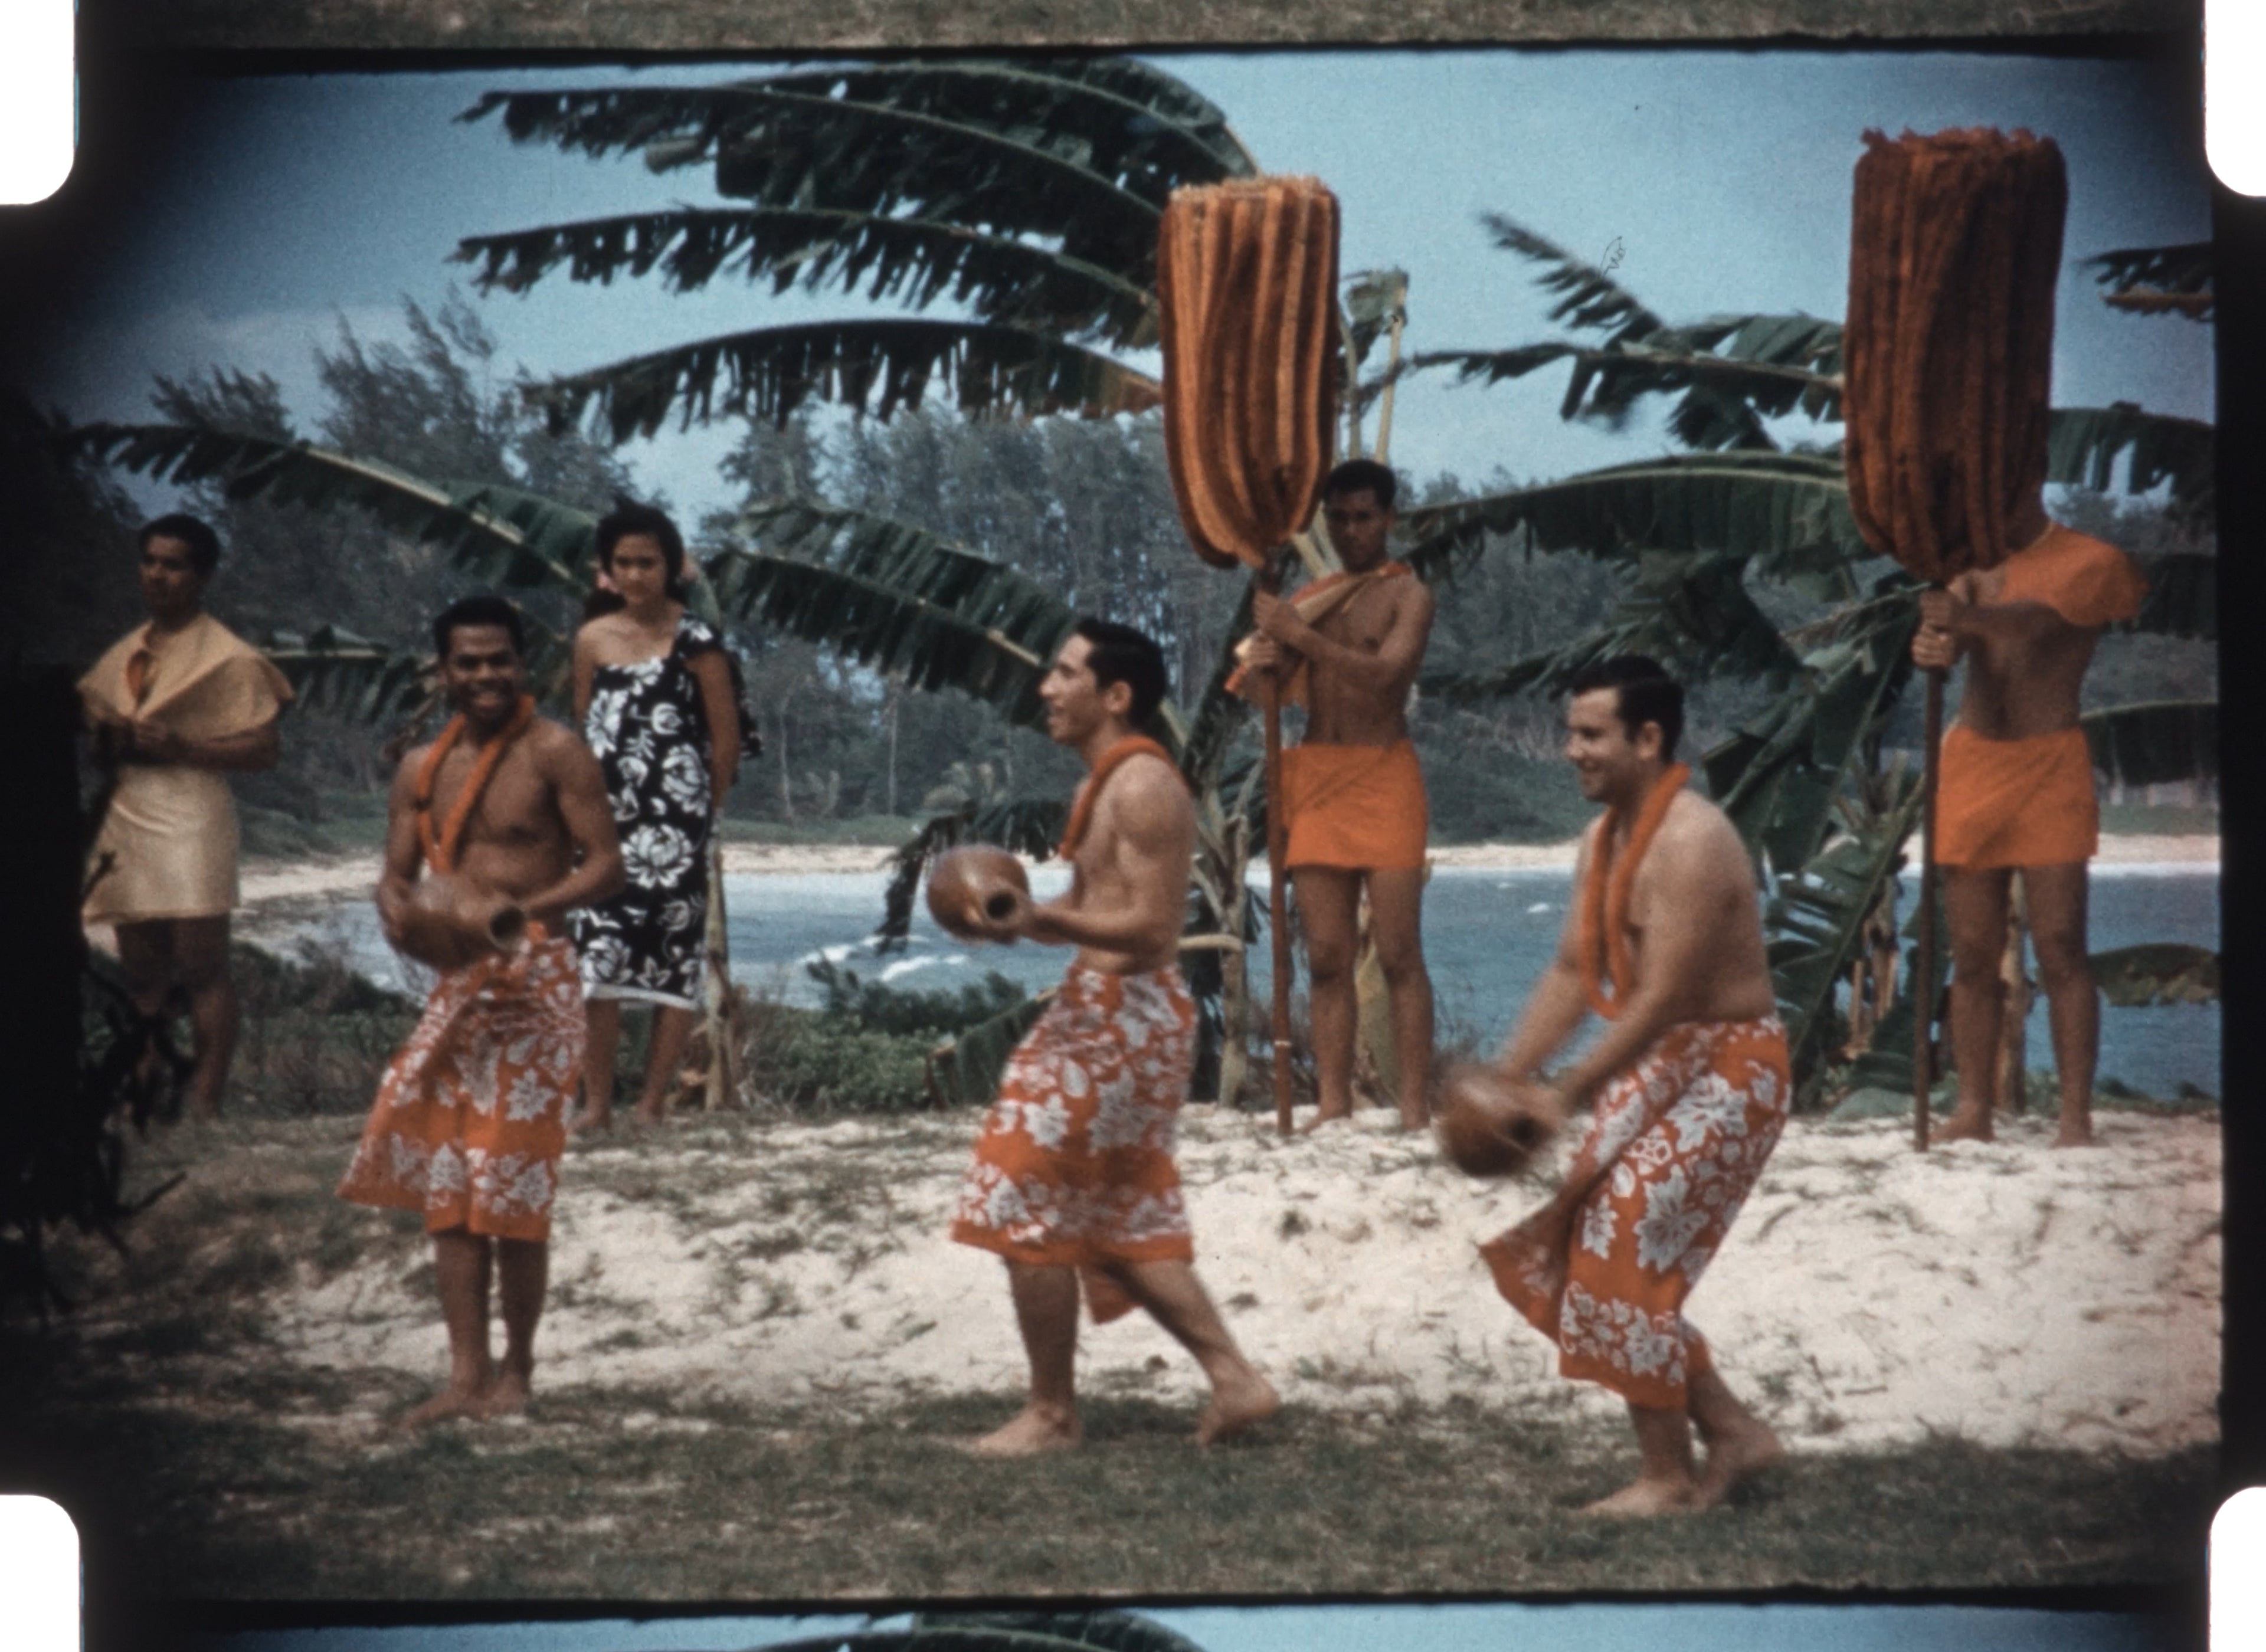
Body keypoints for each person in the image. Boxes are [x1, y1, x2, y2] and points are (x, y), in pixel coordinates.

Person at [950, 620, 1279, 1456]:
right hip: (1106, 1010)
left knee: (1021, 1194)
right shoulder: (1108, 783)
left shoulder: (1144, 787)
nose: (1047, 689)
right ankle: (1236, 1380)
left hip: (1123, 1017)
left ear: (1117, 694)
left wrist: (1043, 917)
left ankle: (1053, 1414)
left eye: (1066, 674)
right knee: (1112, 1216)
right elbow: (1099, 910)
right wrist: (1022, 920)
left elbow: (1153, 927)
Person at [1475, 656, 1789, 1516]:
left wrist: (1564, 1093)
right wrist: (1509, 1078)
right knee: (1581, 1247)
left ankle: (1667, 1477)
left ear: (1648, 739)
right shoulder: (1601, 840)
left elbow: (1663, 998)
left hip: (1732, 1068)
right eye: (1570, 732)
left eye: (1591, 735)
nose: (1571, 750)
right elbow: (1572, 971)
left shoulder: (1694, 840)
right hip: (1661, 1063)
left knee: (1628, 1239)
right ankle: (1733, 1432)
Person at [338, 594, 624, 1427]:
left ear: (522, 664)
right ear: (444, 671)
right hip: (457, 986)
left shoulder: (556, 751)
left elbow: (606, 866)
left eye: (501, 659)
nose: (487, 674)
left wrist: (518, 913)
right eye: (469, 662)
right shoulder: (419, 768)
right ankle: (465, 1377)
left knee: (513, 1190)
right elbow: (395, 873)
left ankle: (517, 1376)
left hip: (536, 981)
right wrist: (397, 910)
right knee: (451, 1191)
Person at [1910, 517, 2146, 1147]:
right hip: (1974, 763)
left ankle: (2074, 1118)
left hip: (2051, 764)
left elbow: (2039, 622)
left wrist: (1963, 618)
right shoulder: (1968, 564)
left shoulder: (2091, 559)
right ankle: (1973, 1108)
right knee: (1971, 951)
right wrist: (1936, 644)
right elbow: (1955, 639)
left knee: (2062, 943)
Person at [1234, 458, 1437, 1129]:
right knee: (1325, 956)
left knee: (1400, 951)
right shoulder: (1313, 600)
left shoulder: (1409, 595)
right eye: (1340, 519)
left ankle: (1415, 1110)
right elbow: (1263, 695)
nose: (1352, 531)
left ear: (1389, 518)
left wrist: (1298, 636)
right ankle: (1333, 1104)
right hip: (1319, 777)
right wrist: (1266, 661)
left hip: (1385, 774)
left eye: (1365, 518)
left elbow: (1387, 676)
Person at [79, 513, 292, 1120]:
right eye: (150, 561)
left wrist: (184, 747)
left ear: (201, 576)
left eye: (173, 565)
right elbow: (95, 732)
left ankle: (204, 1102)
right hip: (127, 811)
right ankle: (143, 1094)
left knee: (203, 966)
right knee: (142, 973)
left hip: (194, 812)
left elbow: (264, 750)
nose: (157, 575)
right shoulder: (125, 653)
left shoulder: (228, 656)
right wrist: (114, 739)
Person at [566, 503, 742, 1130]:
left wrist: (703, 814)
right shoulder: (591, 640)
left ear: (670, 566)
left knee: (673, 960)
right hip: (604, 824)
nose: (637, 575)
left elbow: (725, 738)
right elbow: (585, 729)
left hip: (679, 827)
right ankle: (596, 1105)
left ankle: (648, 1107)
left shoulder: (698, 641)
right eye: (625, 563)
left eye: (648, 562)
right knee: (597, 961)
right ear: (608, 569)